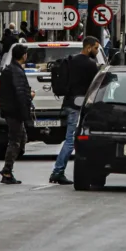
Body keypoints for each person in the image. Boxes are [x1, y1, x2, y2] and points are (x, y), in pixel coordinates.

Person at [49, 36, 100, 185]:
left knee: (72, 139)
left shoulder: (70, 60)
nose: (97, 51)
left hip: (69, 103)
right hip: (79, 106)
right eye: (95, 48)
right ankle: (58, 172)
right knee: (71, 140)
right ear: (88, 47)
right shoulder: (91, 65)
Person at [0, 43, 33, 185]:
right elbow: (20, 93)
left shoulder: (12, 70)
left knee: (21, 139)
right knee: (16, 140)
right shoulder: (15, 71)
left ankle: (8, 168)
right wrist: (27, 105)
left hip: (12, 110)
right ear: (23, 55)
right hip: (15, 111)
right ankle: (7, 170)